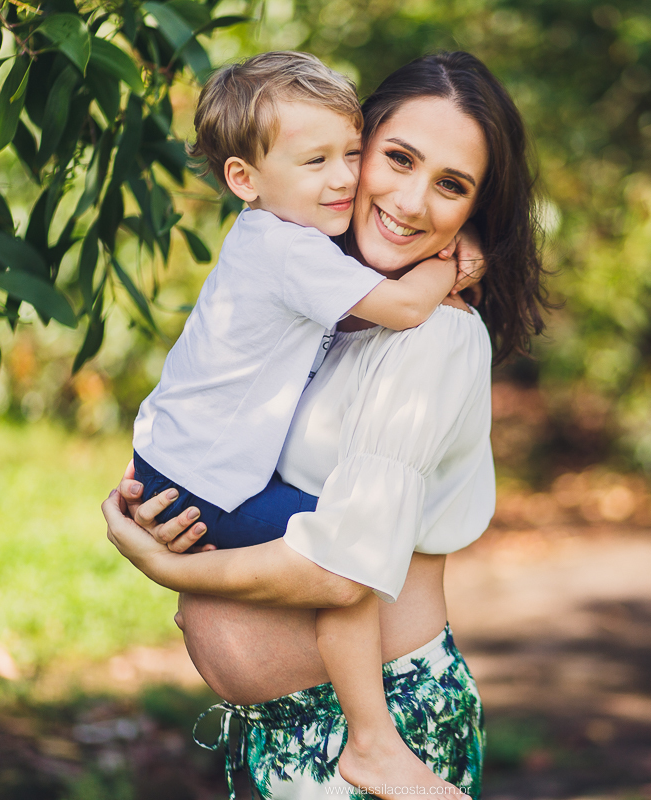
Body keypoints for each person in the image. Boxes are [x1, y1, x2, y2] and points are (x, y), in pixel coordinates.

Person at [104, 50, 548, 799]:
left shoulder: (430, 335)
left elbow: (340, 569)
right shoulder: (322, 303)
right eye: (397, 158)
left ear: (476, 211)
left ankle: (377, 745)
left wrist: (166, 567)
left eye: (451, 185)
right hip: (290, 731)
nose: (410, 201)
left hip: (374, 723)